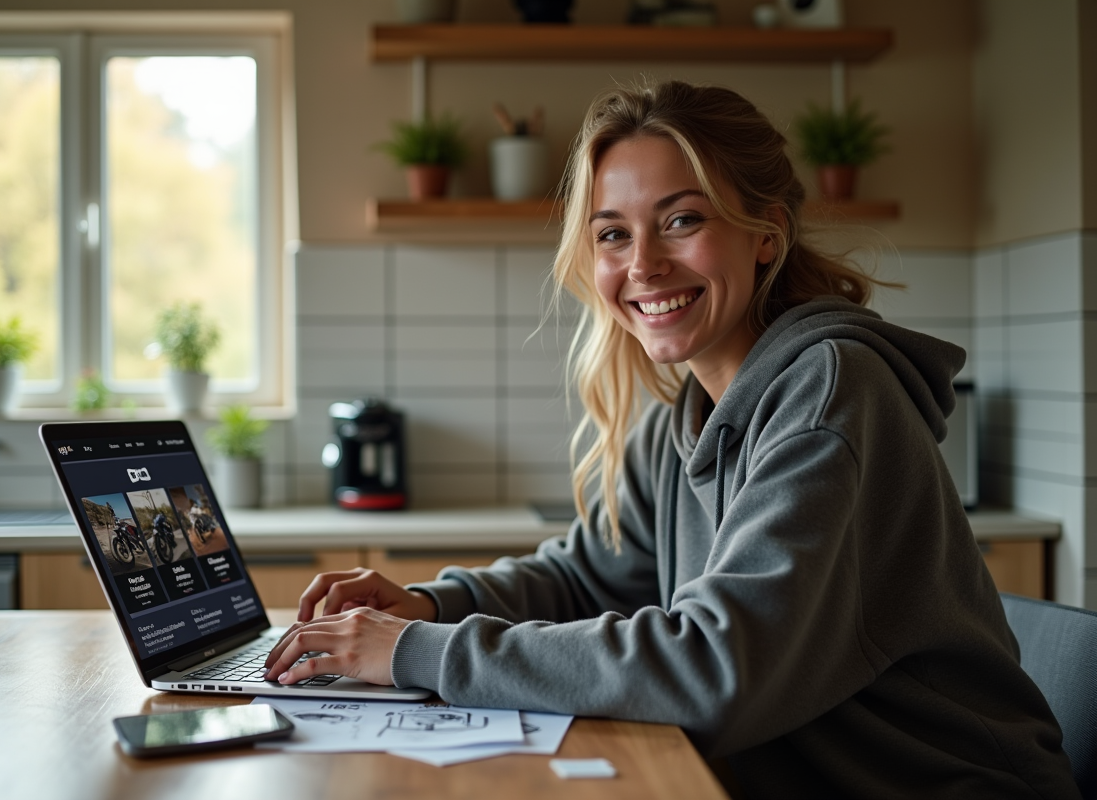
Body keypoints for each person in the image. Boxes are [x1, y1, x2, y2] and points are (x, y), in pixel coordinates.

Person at [265, 82, 1077, 798]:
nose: (643, 264)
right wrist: (433, 604)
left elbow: (714, 667)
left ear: (767, 234)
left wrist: (416, 651)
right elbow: (589, 576)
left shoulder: (831, 390)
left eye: (682, 220)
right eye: (613, 233)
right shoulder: (688, 414)